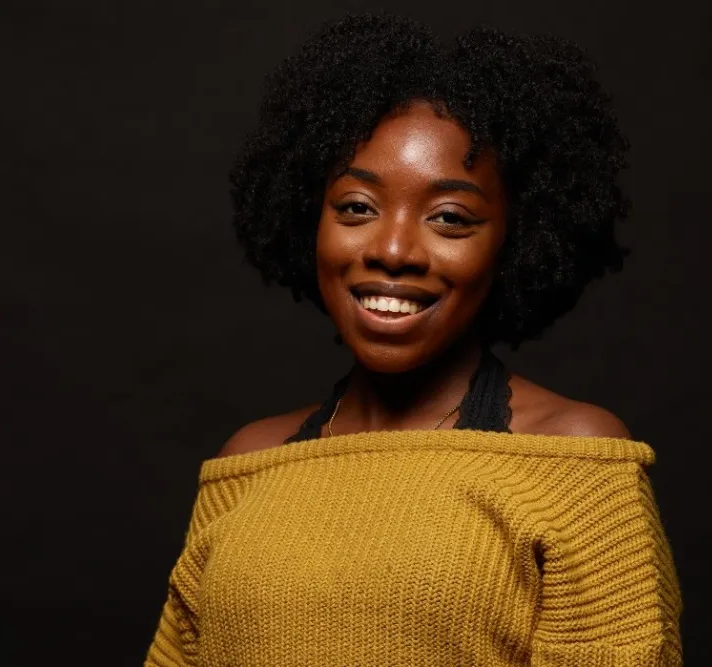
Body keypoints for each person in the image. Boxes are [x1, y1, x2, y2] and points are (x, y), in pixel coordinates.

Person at [145, 13, 683, 667]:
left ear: (515, 243)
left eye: (449, 218)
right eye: (356, 207)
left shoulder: (572, 463)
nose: (393, 250)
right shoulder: (250, 464)